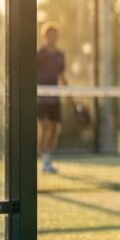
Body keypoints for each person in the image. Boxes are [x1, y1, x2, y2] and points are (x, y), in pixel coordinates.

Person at [37, 22, 68, 174]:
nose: (52, 38)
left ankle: (47, 156)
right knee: (45, 128)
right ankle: (44, 160)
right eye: (49, 35)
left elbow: (61, 76)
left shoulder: (60, 55)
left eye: (54, 35)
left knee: (54, 128)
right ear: (44, 36)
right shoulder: (39, 54)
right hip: (42, 96)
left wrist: (69, 94)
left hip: (55, 96)